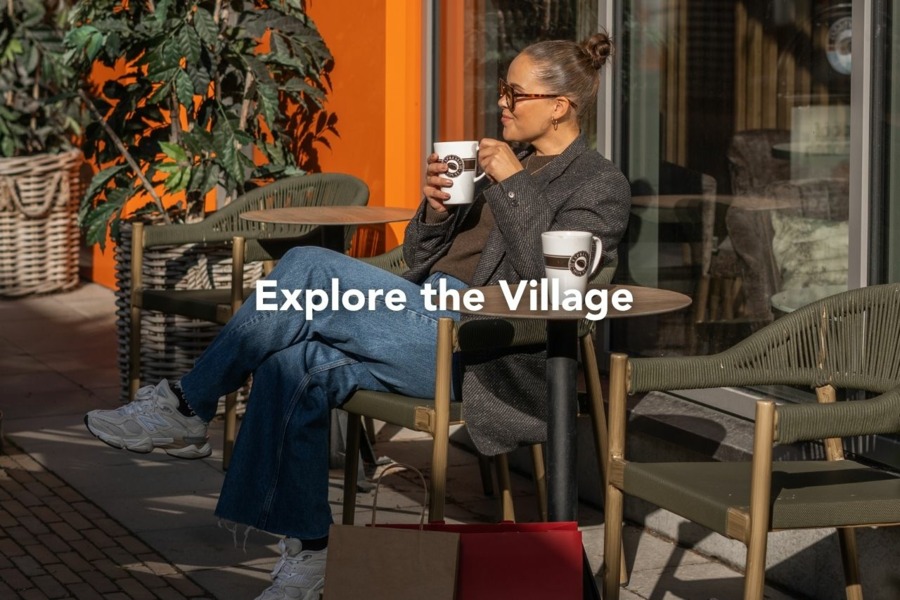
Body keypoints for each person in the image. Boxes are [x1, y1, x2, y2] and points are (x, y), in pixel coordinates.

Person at [84, 31, 631, 600]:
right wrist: (438, 209)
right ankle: (311, 554)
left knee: (307, 267)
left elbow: (557, 289)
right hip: (421, 317)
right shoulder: (501, 167)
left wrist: (514, 186)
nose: (501, 104)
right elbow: (423, 258)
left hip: (483, 347)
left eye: (514, 95)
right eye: (501, 91)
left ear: (559, 106)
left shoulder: (598, 183)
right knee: (293, 365)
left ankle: (188, 404)